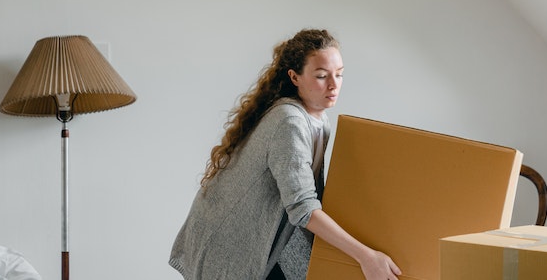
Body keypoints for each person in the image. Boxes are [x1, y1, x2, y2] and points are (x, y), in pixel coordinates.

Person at [169, 29, 401, 280]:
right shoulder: (289, 122)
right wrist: (366, 256)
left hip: (267, 235)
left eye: (340, 74)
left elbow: (313, 197)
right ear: (295, 77)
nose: (334, 85)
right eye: (322, 76)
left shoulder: (320, 120)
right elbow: (302, 207)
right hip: (229, 242)